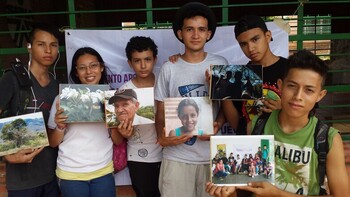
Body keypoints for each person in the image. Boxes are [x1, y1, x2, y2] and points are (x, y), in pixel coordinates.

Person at [206, 50, 350, 197]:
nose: (298, 96)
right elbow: (246, 185)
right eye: (292, 86)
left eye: (309, 90)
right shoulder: (256, 126)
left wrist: (277, 194)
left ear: (320, 95)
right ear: (280, 85)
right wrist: (228, 192)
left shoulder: (327, 139)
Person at [154, 2, 228, 196]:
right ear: (180, 33)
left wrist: (218, 124)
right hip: (177, 157)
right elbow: (159, 109)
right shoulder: (169, 67)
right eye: (189, 29)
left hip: (212, 156)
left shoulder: (220, 64)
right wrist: (162, 137)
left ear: (209, 34)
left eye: (201, 29)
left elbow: (226, 106)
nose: (196, 35)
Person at [48, 47, 122, 197]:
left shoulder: (112, 100)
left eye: (93, 65)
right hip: (70, 173)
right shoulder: (62, 99)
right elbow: (52, 143)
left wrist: (112, 122)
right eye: (82, 68)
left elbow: (118, 140)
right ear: (76, 72)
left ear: (101, 67)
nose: (88, 72)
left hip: (103, 171)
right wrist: (60, 126)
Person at [0, 23, 60, 197]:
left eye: (53, 45)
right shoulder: (12, 79)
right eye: (41, 44)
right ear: (29, 47)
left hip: (52, 176)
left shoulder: (58, 85)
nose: (48, 50)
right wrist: (5, 154)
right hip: (22, 181)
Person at [112, 36, 162, 197]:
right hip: (139, 157)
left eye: (147, 59)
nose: (142, 65)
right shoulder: (123, 93)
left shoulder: (164, 82)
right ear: (129, 63)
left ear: (155, 59)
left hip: (169, 152)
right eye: (137, 60)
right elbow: (120, 136)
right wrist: (125, 133)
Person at [223, 15, 288, 135]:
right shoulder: (241, 74)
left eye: (255, 39)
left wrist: (285, 110)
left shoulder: (289, 69)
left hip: (282, 145)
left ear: (267, 36)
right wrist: (224, 91)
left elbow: (309, 114)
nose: (250, 48)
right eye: (243, 44)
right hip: (250, 147)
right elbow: (237, 124)